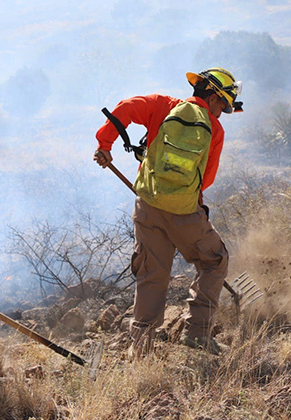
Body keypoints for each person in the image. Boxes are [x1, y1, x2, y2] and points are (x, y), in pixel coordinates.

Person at [93, 68, 243, 357]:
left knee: (152, 274)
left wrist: (105, 145)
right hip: (186, 214)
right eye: (222, 106)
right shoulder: (214, 129)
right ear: (213, 98)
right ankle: (198, 334)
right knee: (214, 260)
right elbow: (206, 179)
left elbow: (124, 108)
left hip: (148, 207)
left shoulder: (165, 106)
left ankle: (142, 348)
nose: (221, 113)